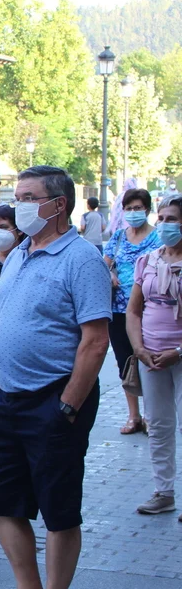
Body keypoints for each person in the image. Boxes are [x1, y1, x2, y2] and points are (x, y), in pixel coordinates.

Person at [0, 165, 111, 589]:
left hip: (54, 399)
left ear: (59, 204)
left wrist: (68, 407)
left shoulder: (82, 258)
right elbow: (4, 320)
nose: (19, 205)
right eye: (18, 196)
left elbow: (95, 340)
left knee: (58, 508)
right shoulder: (18, 254)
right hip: (5, 399)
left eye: (29, 197)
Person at [126, 192, 182, 516]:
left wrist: (178, 352)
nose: (164, 225)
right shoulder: (147, 261)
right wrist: (139, 348)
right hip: (151, 358)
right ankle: (164, 492)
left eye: (171, 219)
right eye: (161, 219)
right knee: (158, 424)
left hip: (177, 356)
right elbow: (133, 311)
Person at [104, 187, 160, 434]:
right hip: (118, 310)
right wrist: (110, 275)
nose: (133, 212)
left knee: (149, 360)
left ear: (147, 210)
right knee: (124, 361)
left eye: (138, 208)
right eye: (129, 208)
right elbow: (103, 265)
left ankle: (151, 415)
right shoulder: (118, 237)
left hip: (149, 310)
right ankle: (133, 415)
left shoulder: (158, 238)